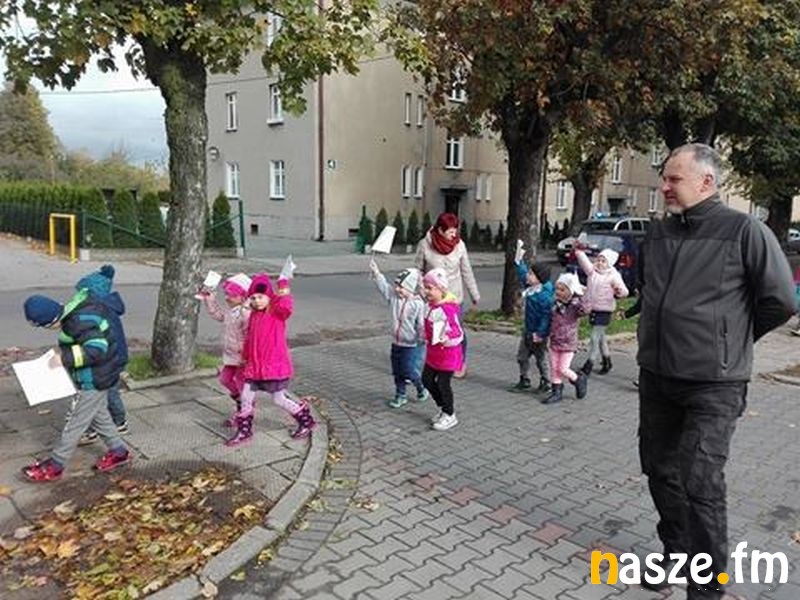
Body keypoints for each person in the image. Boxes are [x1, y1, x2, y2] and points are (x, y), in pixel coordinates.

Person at [636, 143, 796, 598]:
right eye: (664, 178)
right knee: (659, 469)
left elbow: (781, 301)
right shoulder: (659, 233)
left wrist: (730, 340)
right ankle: (676, 551)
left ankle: (706, 588)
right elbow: (648, 288)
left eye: (674, 179)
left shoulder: (745, 231)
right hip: (657, 375)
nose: (664, 186)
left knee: (700, 481)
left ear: (706, 182)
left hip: (714, 385)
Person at [22, 290, 131, 481]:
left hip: (94, 378)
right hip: (100, 374)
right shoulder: (75, 315)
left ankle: (56, 464)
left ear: (50, 322)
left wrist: (64, 358)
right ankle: (119, 451)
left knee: (76, 422)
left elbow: (97, 349)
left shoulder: (77, 322)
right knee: (99, 416)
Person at [230, 261, 315, 446]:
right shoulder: (254, 315)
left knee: (278, 399)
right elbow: (250, 339)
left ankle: (305, 420)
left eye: (261, 297)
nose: (257, 301)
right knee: (246, 397)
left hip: (273, 367)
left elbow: (286, 306)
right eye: (253, 298)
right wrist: (245, 357)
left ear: (269, 297)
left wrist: (283, 283)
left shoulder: (277, 313)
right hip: (254, 367)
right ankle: (244, 431)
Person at [71, 265, 131, 446]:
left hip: (109, 360)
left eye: (82, 293)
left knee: (100, 393)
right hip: (112, 358)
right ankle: (116, 422)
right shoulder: (103, 307)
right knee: (107, 392)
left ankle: (107, 425)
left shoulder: (100, 312)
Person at [415, 212, 480, 377]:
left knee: (456, 331)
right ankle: (437, 363)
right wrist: (422, 291)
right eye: (450, 231)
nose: (454, 234)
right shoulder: (425, 245)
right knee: (434, 331)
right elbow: (417, 270)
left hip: (454, 298)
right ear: (440, 230)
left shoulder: (460, 245)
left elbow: (466, 270)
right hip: (433, 298)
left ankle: (459, 363)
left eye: (455, 230)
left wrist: (474, 293)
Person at [368, 260, 429, 408]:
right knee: (397, 371)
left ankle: (420, 387)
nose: (397, 289)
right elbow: (384, 287)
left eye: (401, 287)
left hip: (411, 344)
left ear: (410, 288)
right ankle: (400, 395)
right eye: (397, 285)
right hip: (396, 342)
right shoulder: (394, 298)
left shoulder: (418, 304)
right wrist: (377, 272)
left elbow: (421, 324)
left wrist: (422, 337)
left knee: (408, 370)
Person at [198, 273, 252, 427]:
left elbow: (251, 336)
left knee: (242, 386)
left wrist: (247, 355)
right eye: (227, 294)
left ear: (243, 296)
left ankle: (245, 415)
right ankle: (242, 404)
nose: (227, 298)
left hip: (242, 358)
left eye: (232, 295)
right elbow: (219, 315)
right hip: (231, 357)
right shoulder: (232, 310)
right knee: (225, 379)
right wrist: (210, 300)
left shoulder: (245, 313)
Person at [421, 268, 464, 431]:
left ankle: (449, 414)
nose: (426, 291)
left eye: (430, 288)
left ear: (441, 289)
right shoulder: (429, 306)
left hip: (448, 355)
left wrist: (447, 339)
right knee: (426, 380)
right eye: (425, 287)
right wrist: (423, 334)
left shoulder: (447, 309)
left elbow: (458, 333)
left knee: (443, 384)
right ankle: (443, 407)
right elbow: (428, 327)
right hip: (433, 354)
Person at [576, 247, 629, 375]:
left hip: (604, 310)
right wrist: (579, 252)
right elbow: (584, 262)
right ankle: (607, 361)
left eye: (603, 261)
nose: (600, 263)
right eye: (598, 260)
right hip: (593, 308)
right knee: (601, 338)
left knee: (594, 337)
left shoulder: (613, 275)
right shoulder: (592, 272)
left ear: (609, 263)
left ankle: (589, 364)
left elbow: (624, 291)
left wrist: (619, 291)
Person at [510, 247, 554, 394]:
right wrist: (519, 261)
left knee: (541, 359)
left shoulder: (544, 296)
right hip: (528, 330)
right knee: (522, 356)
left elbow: (546, 317)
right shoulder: (532, 287)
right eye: (529, 273)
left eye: (531, 274)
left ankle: (546, 382)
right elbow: (523, 274)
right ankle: (525, 380)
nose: (527, 276)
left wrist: (540, 333)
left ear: (539, 278)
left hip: (538, 334)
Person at [541, 273, 588, 405]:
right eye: (557, 288)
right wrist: (542, 333)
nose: (558, 292)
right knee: (554, 367)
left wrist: (581, 296)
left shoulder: (575, 305)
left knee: (563, 368)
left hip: (568, 343)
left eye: (562, 289)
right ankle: (556, 392)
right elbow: (548, 320)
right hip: (554, 340)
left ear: (571, 291)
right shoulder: (554, 305)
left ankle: (578, 379)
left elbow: (585, 310)